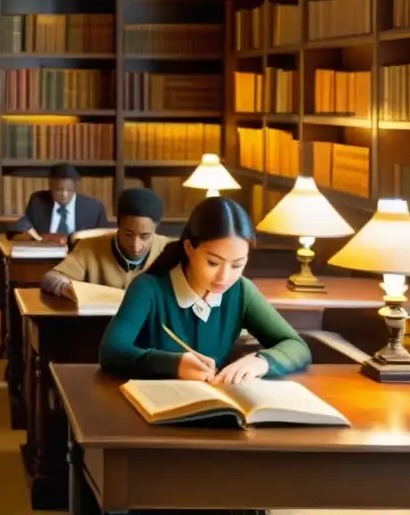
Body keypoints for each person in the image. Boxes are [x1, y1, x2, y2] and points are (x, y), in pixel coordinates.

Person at [96, 198, 309, 515]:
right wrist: (173, 364)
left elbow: (296, 345)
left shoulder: (241, 291)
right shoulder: (149, 288)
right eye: (213, 262)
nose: (225, 276)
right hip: (150, 425)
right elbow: (111, 351)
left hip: (217, 422)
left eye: (238, 265)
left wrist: (260, 361)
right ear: (189, 248)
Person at [41, 187, 171, 299]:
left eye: (145, 236)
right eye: (128, 234)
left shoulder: (171, 250)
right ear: (118, 225)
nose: (136, 245)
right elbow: (50, 277)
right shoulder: (89, 247)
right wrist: (65, 287)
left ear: (156, 229)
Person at [12, 162, 110, 243]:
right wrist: (33, 235)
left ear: (76, 188)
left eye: (70, 190)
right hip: (45, 255)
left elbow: (104, 238)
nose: (64, 194)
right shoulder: (38, 201)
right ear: (51, 186)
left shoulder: (94, 208)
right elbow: (24, 223)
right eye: (59, 190)